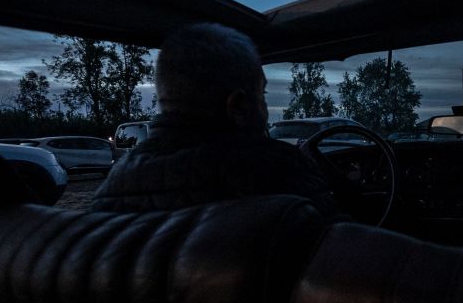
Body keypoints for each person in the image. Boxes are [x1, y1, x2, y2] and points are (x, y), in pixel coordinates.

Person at [92, 22, 342, 219]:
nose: (265, 109)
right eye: (262, 94)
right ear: (238, 106)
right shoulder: (280, 171)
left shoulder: (113, 187)